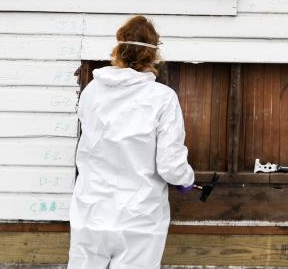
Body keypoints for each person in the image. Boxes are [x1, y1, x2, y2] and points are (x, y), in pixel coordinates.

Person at [68, 15, 194, 269]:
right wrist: (186, 179)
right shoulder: (162, 98)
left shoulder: (92, 91)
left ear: (118, 50)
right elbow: (170, 165)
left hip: (91, 211)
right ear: (154, 55)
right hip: (139, 218)